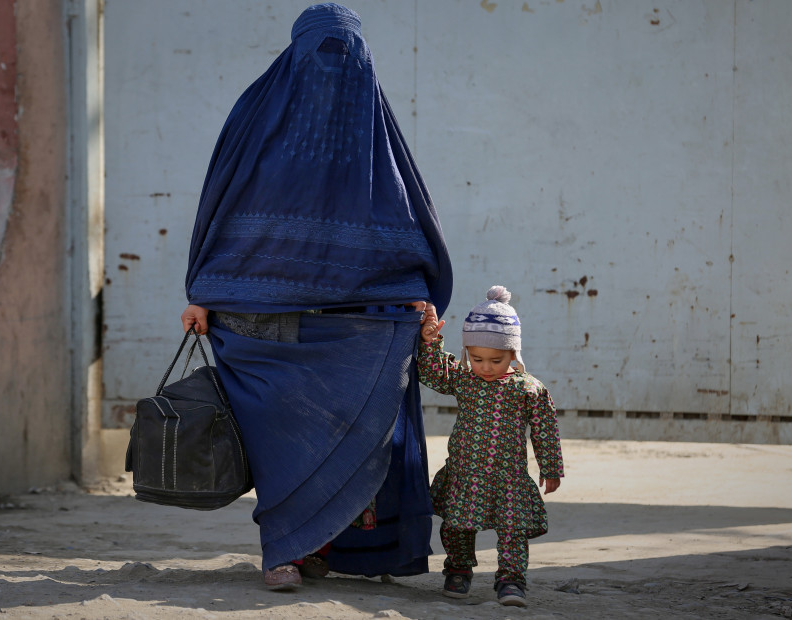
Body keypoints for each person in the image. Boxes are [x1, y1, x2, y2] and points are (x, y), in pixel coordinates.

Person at [180, 3, 453, 590]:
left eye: (345, 54)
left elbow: (405, 219)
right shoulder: (254, 118)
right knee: (279, 441)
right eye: (321, 52)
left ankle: (330, 548)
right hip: (257, 316)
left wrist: (414, 295)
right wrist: (202, 292)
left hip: (352, 322)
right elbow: (219, 205)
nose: (334, 68)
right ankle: (282, 552)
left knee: (354, 431)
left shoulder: (373, 132)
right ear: (295, 51)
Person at [417, 285, 564, 607]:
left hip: (508, 477)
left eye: (495, 360)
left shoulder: (528, 388)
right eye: (477, 358)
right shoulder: (464, 380)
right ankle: (458, 569)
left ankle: (511, 580)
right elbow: (432, 373)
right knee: (456, 526)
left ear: (514, 353)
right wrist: (430, 341)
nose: (485, 367)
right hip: (465, 473)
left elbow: (545, 430)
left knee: (513, 531)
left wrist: (551, 469)